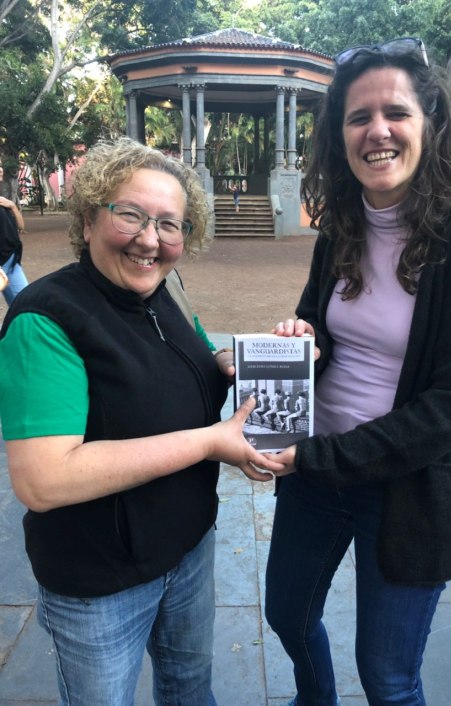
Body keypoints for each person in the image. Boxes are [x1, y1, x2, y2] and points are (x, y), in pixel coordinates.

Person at [260, 38, 451, 706]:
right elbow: (316, 320)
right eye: (357, 117)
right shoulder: (340, 225)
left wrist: (315, 457)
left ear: (429, 122)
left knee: (389, 679)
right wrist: (302, 338)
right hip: (316, 470)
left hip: (410, 486)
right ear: (338, 135)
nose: (377, 130)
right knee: (286, 615)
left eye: (395, 112)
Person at [0, 137, 280, 706]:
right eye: (130, 215)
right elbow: (43, 480)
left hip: (188, 547)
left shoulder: (164, 289)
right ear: (88, 218)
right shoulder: (47, 319)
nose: (150, 239)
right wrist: (210, 442)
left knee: (189, 690)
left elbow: (193, 353)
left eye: (169, 224)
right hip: (101, 581)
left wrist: (238, 362)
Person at [0, 163, 29, 305]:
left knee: (25, 303)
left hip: (11, 262)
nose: (0, 170)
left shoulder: (3, 201)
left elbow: (21, 227)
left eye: (0, 166)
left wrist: (12, 206)